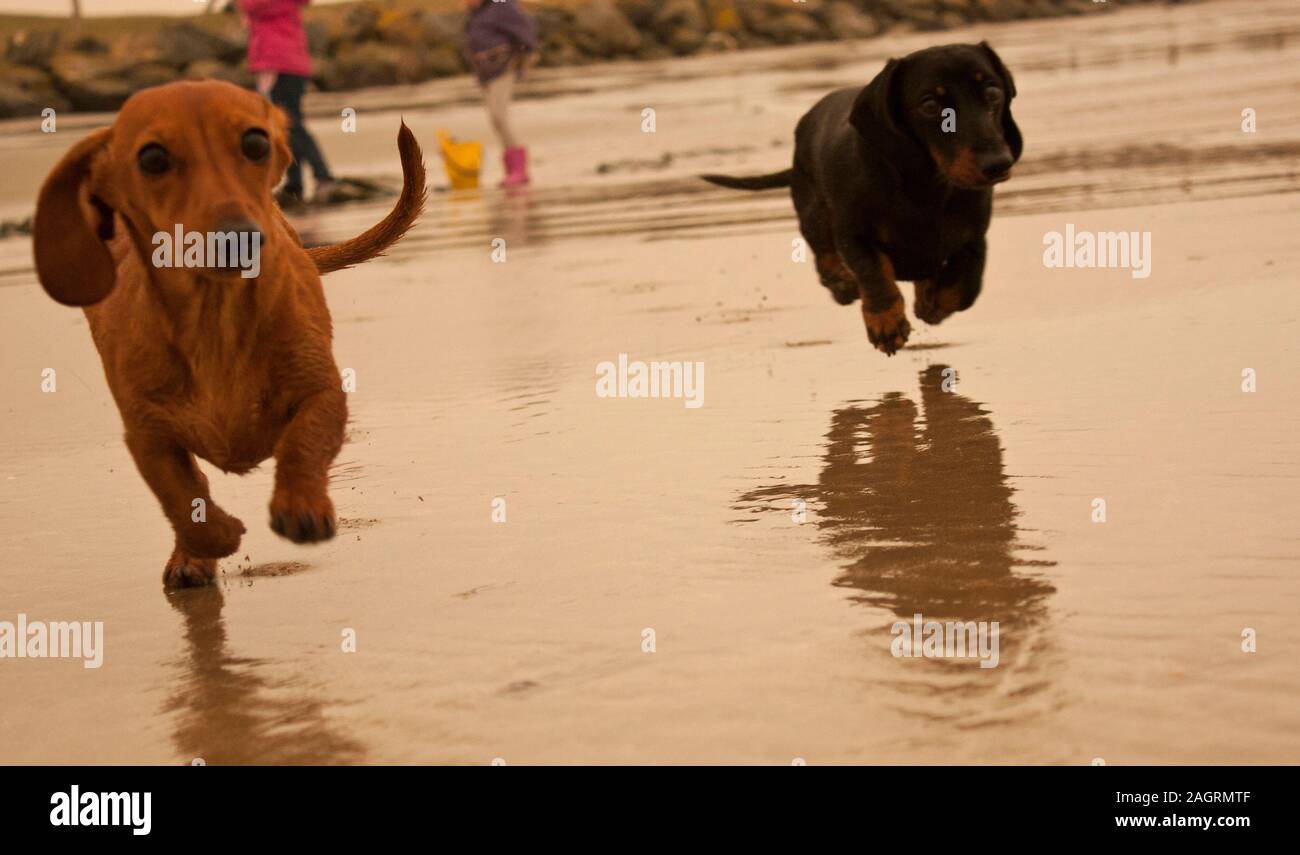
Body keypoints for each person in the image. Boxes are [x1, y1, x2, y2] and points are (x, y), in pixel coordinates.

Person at [240, 0, 336, 205]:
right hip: (287, 64)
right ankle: (297, 183)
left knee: (289, 124)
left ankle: (322, 176)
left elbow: (251, 6)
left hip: (278, 65)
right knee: (287, 125)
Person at [462, 0, 537, 187]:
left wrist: (525, 57)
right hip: (485, 73)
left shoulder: (501, 5)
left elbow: (525, 30)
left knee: (498, 117)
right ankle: (512, 170)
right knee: (495, 119)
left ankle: (519, 170)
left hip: (504, 68)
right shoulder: (476, 14)